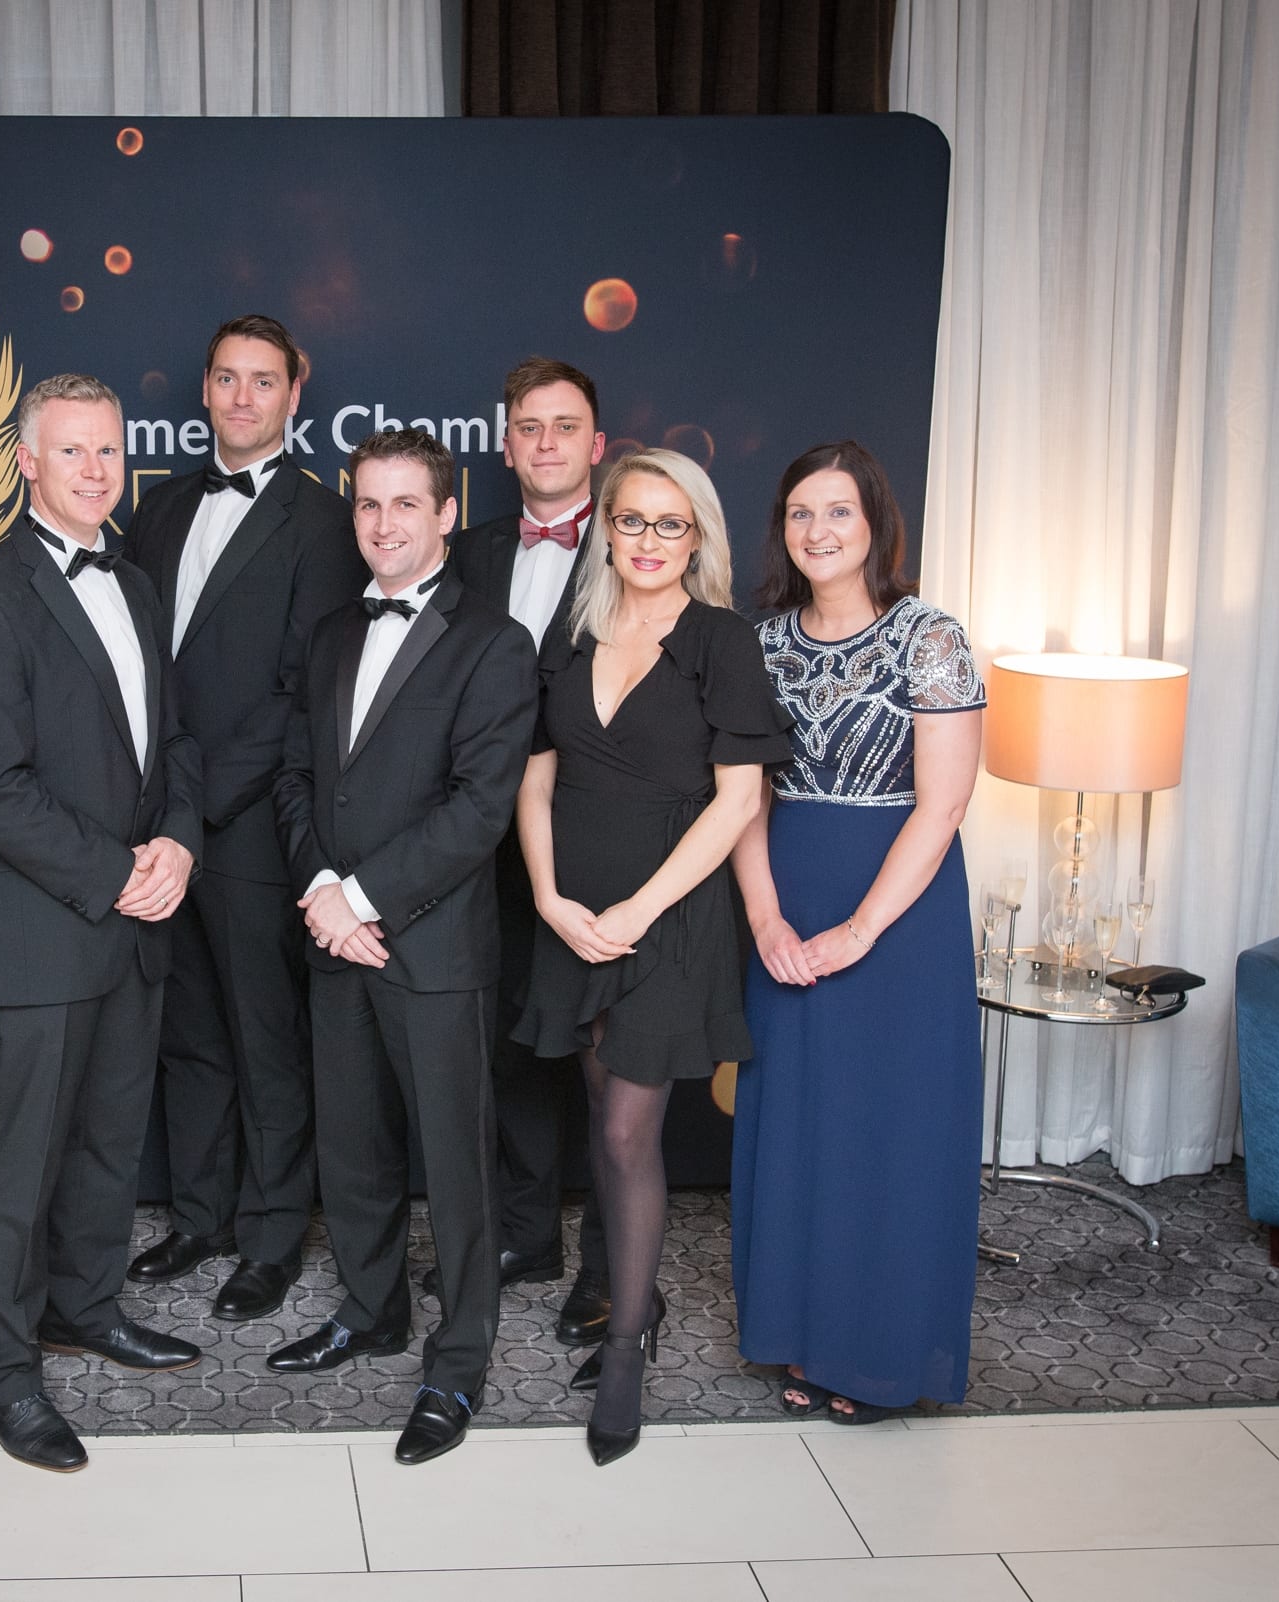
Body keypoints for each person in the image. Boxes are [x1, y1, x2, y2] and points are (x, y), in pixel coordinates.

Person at [0, 374, 204, 1472]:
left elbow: (173, 747)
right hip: (44, 932)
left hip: (135, 923)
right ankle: (3, 1372)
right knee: (18, 1163)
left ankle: (85, 1310)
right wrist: (116, 875)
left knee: (105, 1143)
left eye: (110, 452)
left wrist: (179, 843)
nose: (97, 471)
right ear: (27, 461)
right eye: (74, 452)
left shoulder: (136, 584)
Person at [509, 448, 791, 1466]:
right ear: (607, 528)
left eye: (671, 526)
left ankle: (628, 1344)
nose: (649, 543)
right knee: (596, 1103)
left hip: (668, 918)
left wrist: (638, 907)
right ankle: (621, 1287)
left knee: (629, 1130)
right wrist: (548, 896)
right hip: (571, 911)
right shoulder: (574, 631)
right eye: (632, 521)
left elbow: (738, 801)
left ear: (698, 537)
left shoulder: (720, 642)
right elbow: (534, 780)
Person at [268, 429, 537, 1466]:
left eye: (405, 505)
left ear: (444, 514)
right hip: (334, 934)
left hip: (429, 946)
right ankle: (369, 1311)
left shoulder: (492, 642)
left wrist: (368, 897)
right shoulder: (333, 632)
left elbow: (480, 810)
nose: (384, 524)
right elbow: (295, 779)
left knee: (456, 1167)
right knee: (354, 1146)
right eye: (369, 505)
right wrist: (322, 892)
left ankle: (458, 1360)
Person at [729, 440, 986, 1424]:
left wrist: (861, 929)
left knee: (889, 1132)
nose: (819, 531)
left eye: (838, 511)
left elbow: (944, 806)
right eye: (801, 513)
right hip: (782, 896)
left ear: (875, 522)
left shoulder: (932, 639)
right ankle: (799, 1335)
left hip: (899, 916)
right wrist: (765, 917)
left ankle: (879, 1359)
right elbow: (743, 799)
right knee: (800, 1126)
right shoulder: (757, 642)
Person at [121, 314, 365, 1318]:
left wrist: (195, 812)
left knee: (267, 1040)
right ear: (208, 388)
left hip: (252, 827)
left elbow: (299, 696)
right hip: (155, 827)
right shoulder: (162, 508)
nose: (240, 397)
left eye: (261, 381)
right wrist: (158, 816)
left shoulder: (321, 522)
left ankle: (269, 1236)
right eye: (225, 378)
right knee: (189, 1034)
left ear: (293, 393)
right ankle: (201, 1213)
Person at [444, 356, 612, 1346]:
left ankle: (610, 1266)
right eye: (528, 428)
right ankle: (525, 1233)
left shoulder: (639, 547)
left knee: (602, 1058)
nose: (545, 443)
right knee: (510, 1046)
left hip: (599, 846)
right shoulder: (466, 555)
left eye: (564, 426)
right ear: (507, 446)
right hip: (484, 844)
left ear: (597, 445)